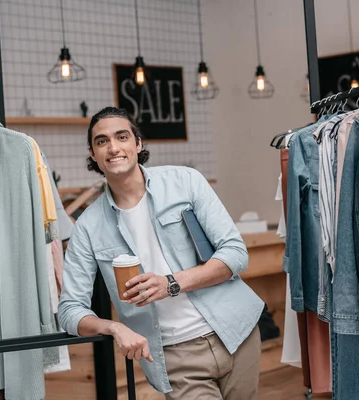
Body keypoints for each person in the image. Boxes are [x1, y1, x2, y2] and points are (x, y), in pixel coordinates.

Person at [58, 107, 264, 399]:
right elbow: (69, 310)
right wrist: (115, 327)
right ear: (92, 153)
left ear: (138, 144)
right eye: (102, 141)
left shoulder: (186, 182)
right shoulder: (88, 227)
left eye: (122, 136)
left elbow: (235, 254)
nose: (113, 147)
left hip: (236, 333)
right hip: (175, 357)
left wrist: (170, 283)